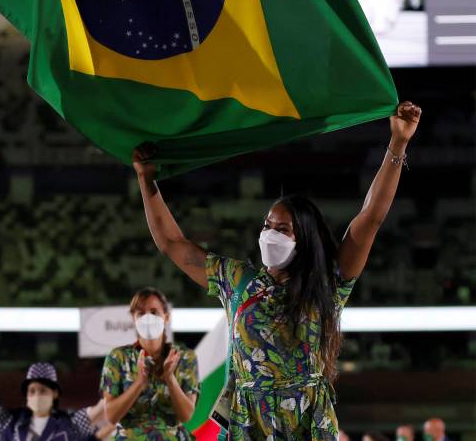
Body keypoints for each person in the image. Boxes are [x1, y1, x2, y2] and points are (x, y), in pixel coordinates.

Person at [132, 101, 421, 440]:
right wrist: (146, 180)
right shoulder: (237, 281)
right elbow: (172, 242)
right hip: (248, 422)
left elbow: (370, 217)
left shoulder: (329, 283)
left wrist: (398, 143)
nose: (269, 233)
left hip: (307, 423)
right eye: (267, 225)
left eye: (281, 229)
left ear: (304, 238)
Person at [99, 287, 198, 439]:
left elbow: (186, 416)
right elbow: (111, 416)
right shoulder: (118, 357)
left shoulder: (184, 357)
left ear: (166, 317)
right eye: (141, 313)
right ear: (133, 318)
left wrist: (170, 377)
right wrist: (139, 382)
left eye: (154, 312)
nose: (148, 318)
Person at [0, 351, 99, 441]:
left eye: (43, 390)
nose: (37, 395)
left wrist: (120, 382)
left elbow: (102, 410)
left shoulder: (70, 423)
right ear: (27, 395)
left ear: (54, 394)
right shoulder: (10, 422)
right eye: (32, 391)